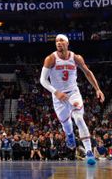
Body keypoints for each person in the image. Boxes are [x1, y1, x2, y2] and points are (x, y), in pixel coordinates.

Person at [39, 33, 105, 166]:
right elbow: (42, 80)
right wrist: (55, 92)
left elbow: (87, 72)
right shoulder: (50, 59)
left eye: (61, 40)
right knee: (66, 124)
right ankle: (69, 135)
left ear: (67, 43)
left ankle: (89, 153)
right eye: (57, 41)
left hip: (73, 93)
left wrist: (97, 89)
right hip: (58, 96)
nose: (58, 42)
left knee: (79, 119)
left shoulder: (76, 58)